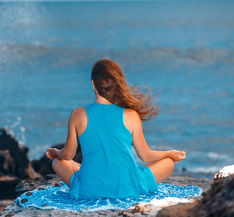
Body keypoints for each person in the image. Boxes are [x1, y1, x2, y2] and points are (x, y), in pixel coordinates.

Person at [45, 58, 186, 200]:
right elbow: (146, 155)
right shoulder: (131, 115)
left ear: (93, 84)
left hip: (90, 189)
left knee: (57, 162)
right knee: (168, 162)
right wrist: (170, 153)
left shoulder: (77, 114)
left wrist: (55, 152)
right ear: (117, 85)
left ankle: (95, 176)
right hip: (128, 188)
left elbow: (67, 155)